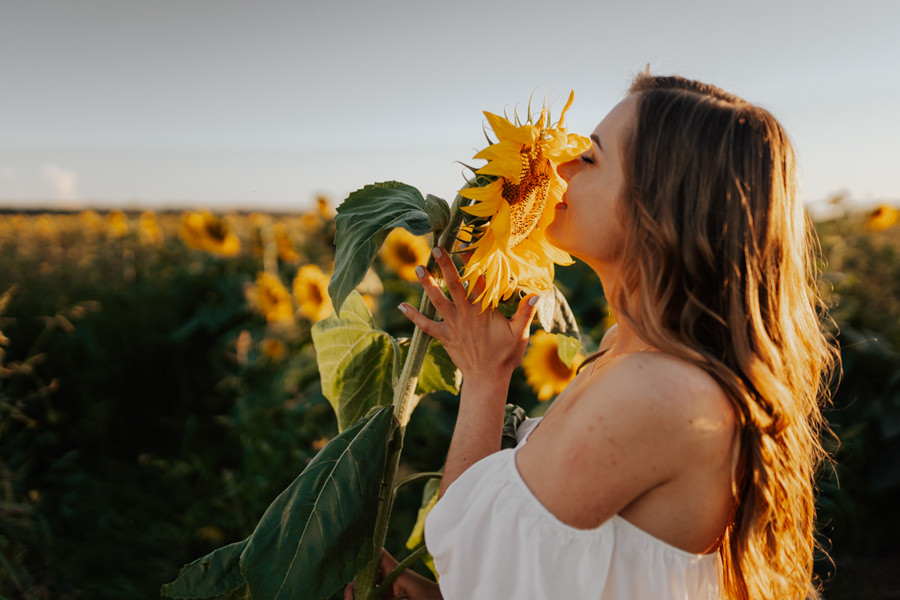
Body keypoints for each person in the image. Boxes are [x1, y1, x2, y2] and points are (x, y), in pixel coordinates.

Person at [351, 73, 837, 600]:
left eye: (589, 160)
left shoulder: (660, 388)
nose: (555, 170)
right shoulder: (624, 350)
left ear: (658, 206)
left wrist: (485, 379)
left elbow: (473, 563)